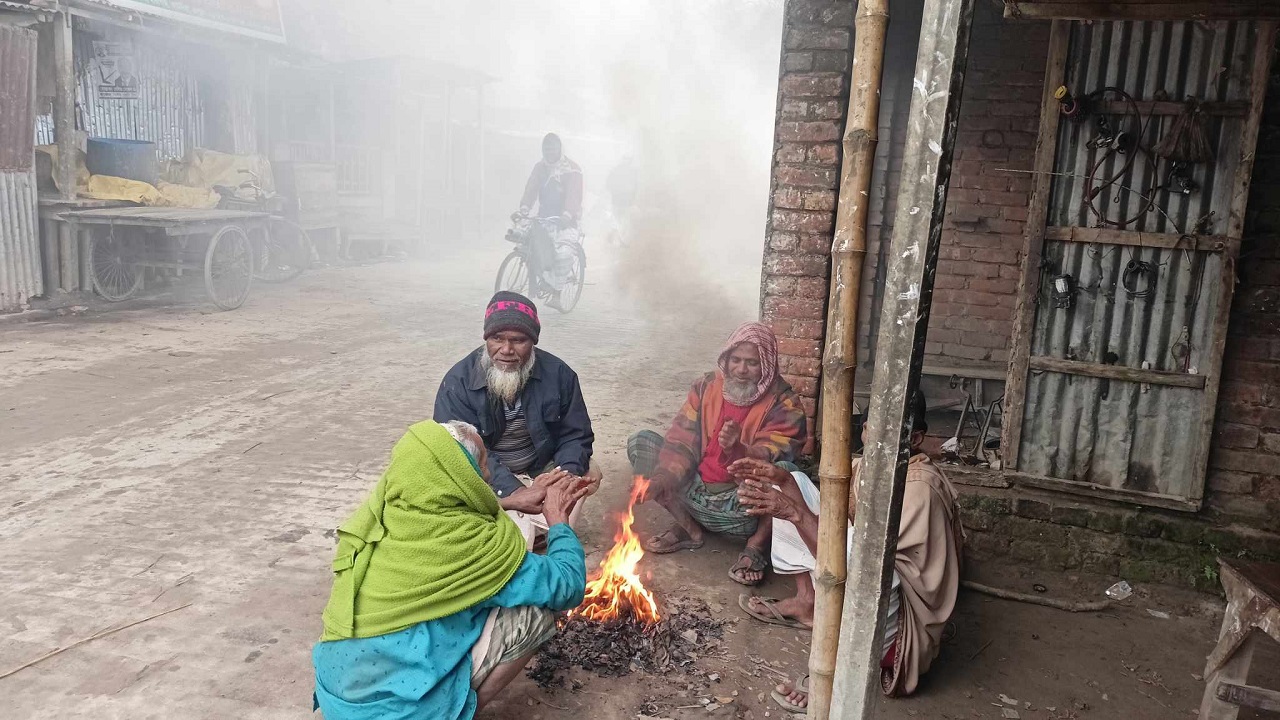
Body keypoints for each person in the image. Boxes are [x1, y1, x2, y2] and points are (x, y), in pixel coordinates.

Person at [312, 420, 590, 720]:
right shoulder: (472, 543)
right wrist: (558, 520)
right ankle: (456, 712)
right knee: (534, 613)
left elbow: (452, 505)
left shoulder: (378, 516)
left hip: (340, 699)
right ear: (463, 475)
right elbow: (567, 585)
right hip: (401, 711)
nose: (488, 474)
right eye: (484, 465)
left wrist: (509, 501)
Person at [734, 392, 965, 706]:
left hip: (898, 621)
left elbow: (860, 570)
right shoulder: (867, 466)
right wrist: (785, 483)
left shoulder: (918, 489)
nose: (874, 440)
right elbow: (836, 525)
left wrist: (793, 512)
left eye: (889, 435)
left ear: (916, 439)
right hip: (863, 564)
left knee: (862, 563)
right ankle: (807, 603)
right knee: (793, 482)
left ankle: (838, 671)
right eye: (871, 429)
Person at [629, 321, 808, 586]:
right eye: (735, 360)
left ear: (767, 365)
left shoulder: (785, 403)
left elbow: (772, 457)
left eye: (752, 363)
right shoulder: (706, 386)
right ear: (726, 358)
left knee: (788, 473)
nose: (741, 370)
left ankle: (755, 547)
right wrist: (662, 480)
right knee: (641, 443)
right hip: (693, 492)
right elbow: (681, 439)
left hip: (741, 509)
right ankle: (689, 527)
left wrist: (739, 449)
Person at [434, 291, 600, 546]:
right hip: (488, 475)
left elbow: (576, 434)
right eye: (496, 338)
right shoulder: (458, 382)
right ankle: (519, 528)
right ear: (486, 338)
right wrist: (513, 491)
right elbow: (456, 449)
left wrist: (563, 478)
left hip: (539, 467)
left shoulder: (560, 374)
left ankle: (549, 531)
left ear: (533, 342)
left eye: (518, 340)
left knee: (588, 470)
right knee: (451, 487)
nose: (506, 350)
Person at [518, 133, 583, 290]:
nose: (549, 152)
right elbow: (531, 187)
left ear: (559, 148)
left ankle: (556, 292)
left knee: (562, 254)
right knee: (530, 245)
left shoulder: (573, 170)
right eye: (546, 149)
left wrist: (567, 215)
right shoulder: (540, 167)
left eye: (553, 148)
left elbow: (574, 195)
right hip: (544, 217)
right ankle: (542, 279)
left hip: (565, 221)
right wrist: (525, 207)